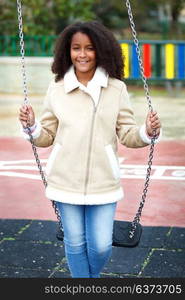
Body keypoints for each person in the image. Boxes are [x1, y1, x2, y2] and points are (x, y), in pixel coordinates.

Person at [19, 21, 162, 278]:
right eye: (76, 48)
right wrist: (32, 126)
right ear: (67, 51)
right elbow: (46, 136)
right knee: (74, 243)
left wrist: (146, 132)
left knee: (100, 247)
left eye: (89, 48)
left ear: (101, 51)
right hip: (65, 179)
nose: (82, 54)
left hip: (103, 181)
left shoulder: (116, 89)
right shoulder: (57, 88)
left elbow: (127, 134)